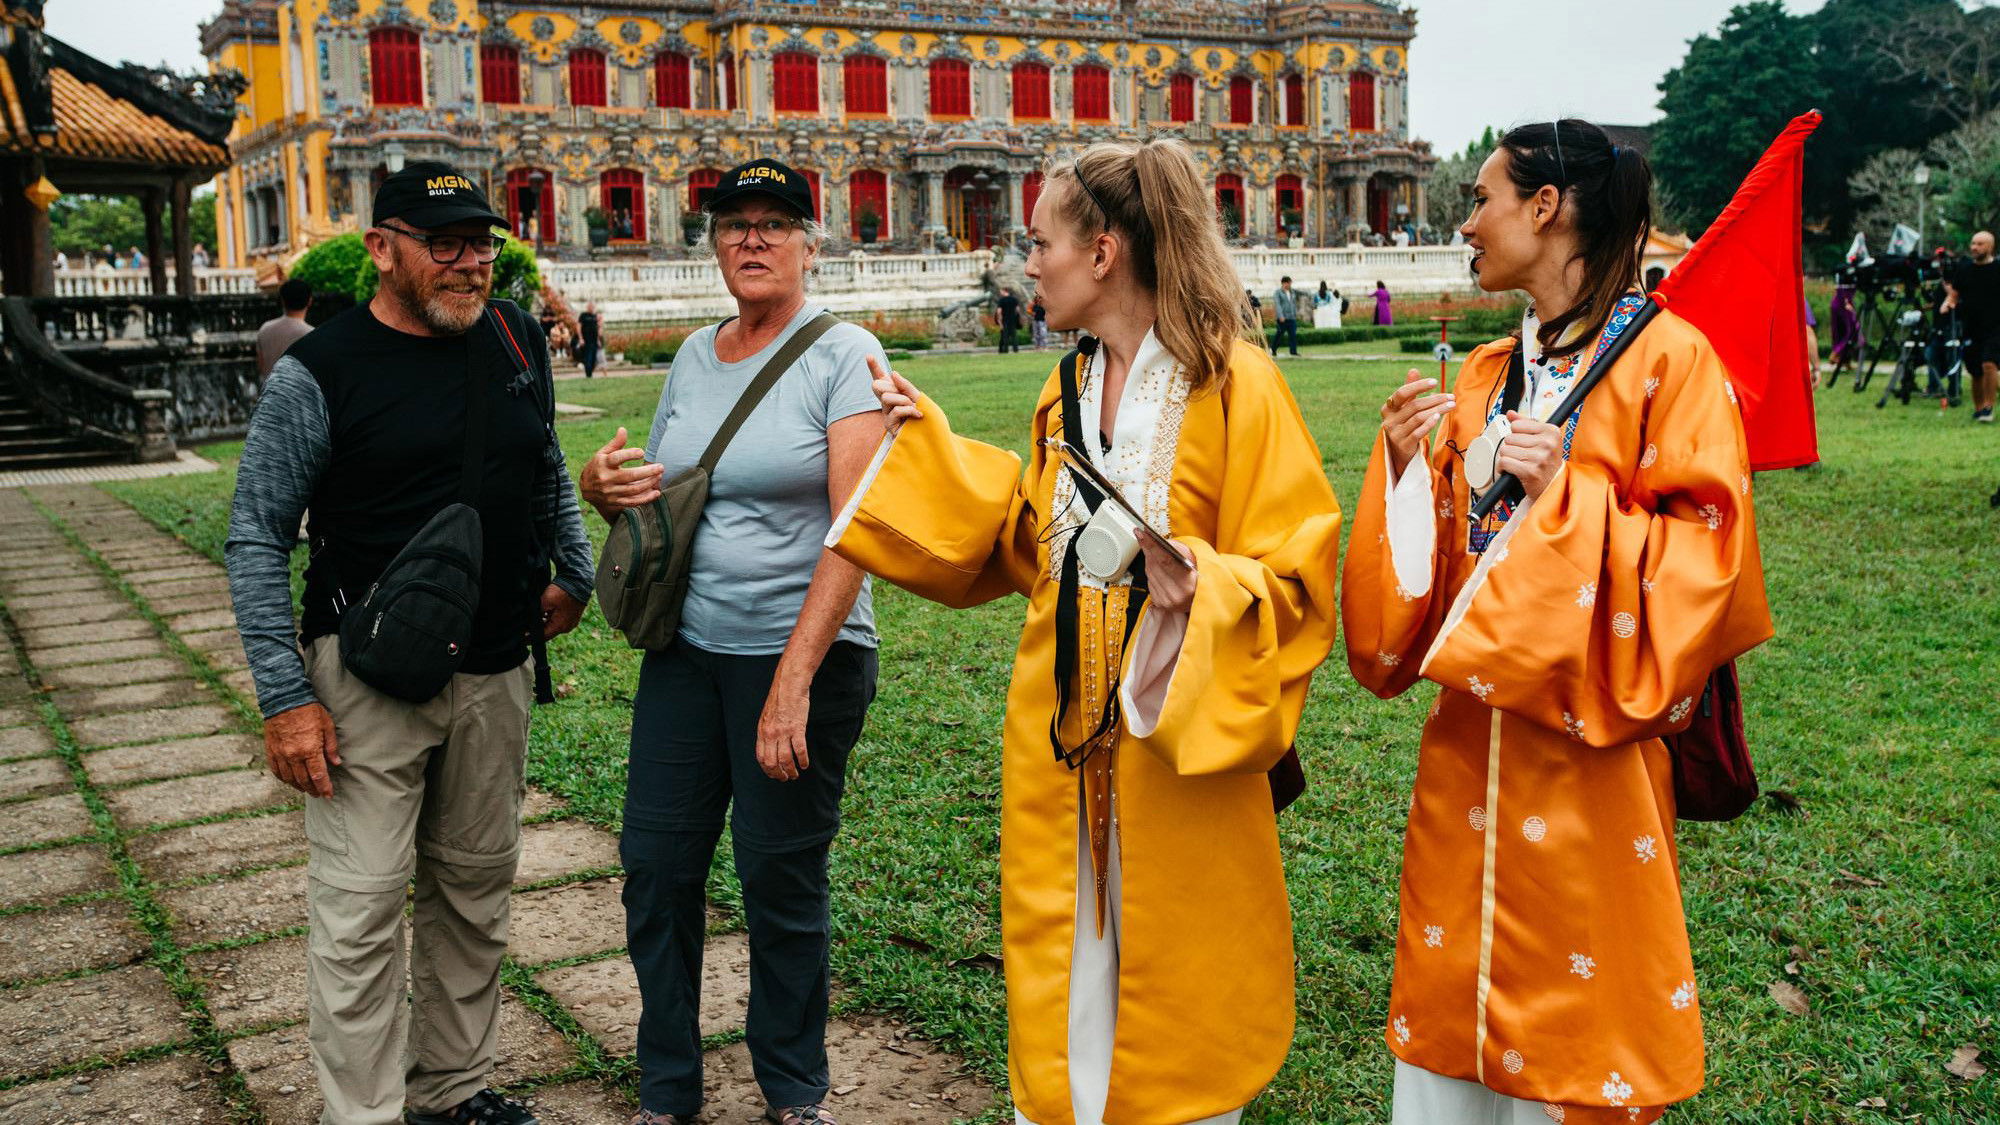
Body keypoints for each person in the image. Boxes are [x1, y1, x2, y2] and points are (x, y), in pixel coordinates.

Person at [832, 136, 1342, 1125]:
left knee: (1178, 1002)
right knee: (1063, 981)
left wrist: (1200, 584)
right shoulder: (1059, 392)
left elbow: (1296, 577)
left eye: (1040, 243)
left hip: (1174, 752)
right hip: (1056, 747)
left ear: (1101, 253)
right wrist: (928, 443)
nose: (1027, 263)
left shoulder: (1236, 386)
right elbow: (1033, 543)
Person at [1341, 119, 1773, 1124]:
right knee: (1449, 1025)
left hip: (1592, 765)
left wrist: (1564, 499)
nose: (1465, 223)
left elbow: (1706, 559)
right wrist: (1409, 468)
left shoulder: (1670, 362)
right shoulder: (1487, 371)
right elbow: (1445, 570)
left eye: (1480, 200)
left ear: (1545, 207)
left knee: (1577, 1034)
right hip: (1468, 755)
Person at [224, 161, 595, 1125]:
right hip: (366, 678)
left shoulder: (514, 337)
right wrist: (283, 695)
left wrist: (575, 566)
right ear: (382, 250)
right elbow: (258, 534)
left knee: (475, 888)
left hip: (497, 665)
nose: (469, 263)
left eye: (482, 245)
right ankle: (364, 1113)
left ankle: (452, 1088)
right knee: (359, 906)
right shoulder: (321, 371)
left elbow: (544, 461)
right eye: (445, 245)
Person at [576, 158, 886, 1125]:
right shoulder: (692, 357)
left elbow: (857, 530)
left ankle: (794, 1088)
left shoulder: (844, 354)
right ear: (713, 244)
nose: (752, 238)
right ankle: (668, 1085)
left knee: (778, 873)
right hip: (687, 651)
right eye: (733, 223)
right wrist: (600, 490)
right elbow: (665, 498)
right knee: (655, 866)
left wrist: (793, 681)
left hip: (800, 658)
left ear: (810, 245)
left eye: (775, 223)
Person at [1942, 230, 1998, 422]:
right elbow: (1954, 294)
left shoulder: (1997, 268)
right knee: (1975, 371)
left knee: (1989, 364)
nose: (1974, 247)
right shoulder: (1965, 269)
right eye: (1973, 243)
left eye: (1980, 244)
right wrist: (1948, 303)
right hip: (1972, 326)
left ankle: (1989, 407)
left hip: (1996, 326)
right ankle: (1979, 407)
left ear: (1990, 247)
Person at [256, 278, 314, 382]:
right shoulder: (312, 334)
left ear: (282, 301)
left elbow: (261, 366)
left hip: (269, 390)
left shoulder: (265, 329)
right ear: (310, 301)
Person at [1271, 275, 1301, 357]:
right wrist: (1280, 316)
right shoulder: (1278, 293)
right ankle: (1273, 349)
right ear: (1284, 283)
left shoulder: (1292, 292)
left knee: (1293, 335)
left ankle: (1293, 351)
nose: (1290, 285)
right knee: (1279, 334)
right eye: (1289, 283)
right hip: (1283, 318)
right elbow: (1278, 305)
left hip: (1291, 317)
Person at [577, 301, 602, 378]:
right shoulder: (583, 315)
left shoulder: (595, 316)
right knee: (588, 357)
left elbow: (597, 328)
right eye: (590, 306)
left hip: (594, 340)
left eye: (593, 307)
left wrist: (598, 340)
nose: (591, 308)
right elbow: (578, 327)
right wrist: (581, 338)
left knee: (594, 358)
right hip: (586, 340)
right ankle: (588, 375)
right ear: (587, 307)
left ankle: (590, 372)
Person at [997, 285, 1023, 353]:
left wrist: (999, 320)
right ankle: (1016, 350)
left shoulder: (1001, 300)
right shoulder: (1014, 299)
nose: (1000, 293)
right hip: (1013, 319)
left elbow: (999, 311)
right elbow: (1018, 310)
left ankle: (1006, 350)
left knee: (1005, 336)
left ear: (1004, 291)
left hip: (1005, 319)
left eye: (1001, 291)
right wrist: (1017, 317)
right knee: (1014, 335)